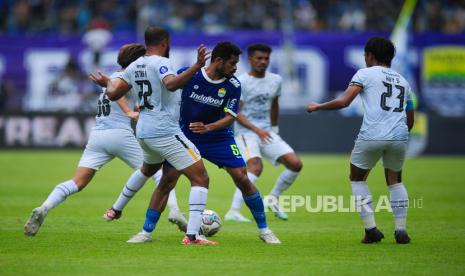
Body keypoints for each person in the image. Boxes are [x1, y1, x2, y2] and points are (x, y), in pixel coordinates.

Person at [126, 41, 281, 244]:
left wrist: (209, 127)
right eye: (232, 63)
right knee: (167, 181)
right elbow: (167, 91)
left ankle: (265, 230)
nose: (235, 68)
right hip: (186, 136)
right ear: (218, 61)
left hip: (219, 137)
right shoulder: (189, 74)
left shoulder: (233, 85)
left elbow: (231, 116)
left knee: (242, 177)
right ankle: (145, 232)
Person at [23, 43, 182, 236]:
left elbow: (127, 97)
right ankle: (175, 210)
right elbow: (119, 95)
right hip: (120, 133)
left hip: (98, 135)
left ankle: (44, 207)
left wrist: (134, 109)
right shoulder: (129, 77)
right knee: (160, 173)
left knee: (77, 182)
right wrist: (129, 112)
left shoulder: (115, 77)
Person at [90, 26, 216, 245]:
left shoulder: (134, 65)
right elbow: (171, 83)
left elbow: (112, 93)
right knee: (201, 178)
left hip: (144, 132)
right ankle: (193, 236)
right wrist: (197, 66)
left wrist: (108, 81)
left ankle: (131, 221)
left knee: (150, 170)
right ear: (165, 42)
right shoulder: (162, 63)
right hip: (165, 130)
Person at [306, 37, 414, 244]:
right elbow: (410, 119)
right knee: (395, 181)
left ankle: (371, 229)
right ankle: (401, 231)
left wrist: (317, 106)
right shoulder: (403, 81)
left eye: (365, 55)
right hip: (399, 136)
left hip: (372, 134)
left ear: (370, 56)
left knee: (357, 179)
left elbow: (344, 101)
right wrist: (398, 135)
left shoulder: (364, 74)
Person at [224, 44, 303, 222]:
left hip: (266, 132)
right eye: (259, 58)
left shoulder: (276, 80)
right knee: (255, 167)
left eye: (266, 58)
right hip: (246, 133)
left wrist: (274, 129)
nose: (263, 62)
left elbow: (274, 104)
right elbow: (235, 112)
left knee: (295, 164)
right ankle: (233, 210)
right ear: (250, 59)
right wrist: (256, 129)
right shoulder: (241, 82)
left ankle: (273, 198)